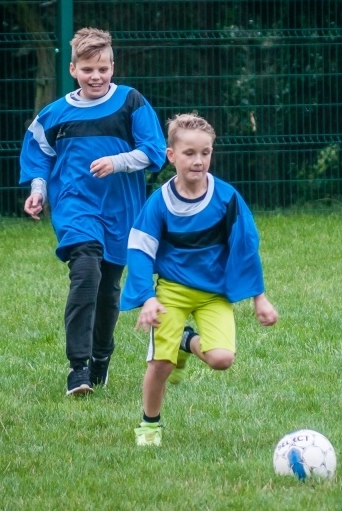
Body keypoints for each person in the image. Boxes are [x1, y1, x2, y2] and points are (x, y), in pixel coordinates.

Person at [19, 27, 166, 396]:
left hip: (121, 208)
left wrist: (117, 162)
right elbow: (39, 154)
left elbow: (155, 152)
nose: (96, 76)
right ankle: (78, 369)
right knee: (86, 271)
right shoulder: (54, 115)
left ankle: (101, 358)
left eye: (102, 68)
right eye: (87, 69)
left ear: (113, 67)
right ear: (73, 69)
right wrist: (38, 190)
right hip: (75, 205)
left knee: (109, 289)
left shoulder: (131, 102)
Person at [121, 112, 279, 446]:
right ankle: (150, 425)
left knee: (222, 359)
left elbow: (246, 247)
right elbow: (139, 249)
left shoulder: (227, 198)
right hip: (172, 292)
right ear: (171, 156)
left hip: (213, 293)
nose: (198, 161)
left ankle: (186, 341)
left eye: (205, 153)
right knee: (161, 363)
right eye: (189, 153)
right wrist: (148, 297)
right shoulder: (159, 202)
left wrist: (259, 297)